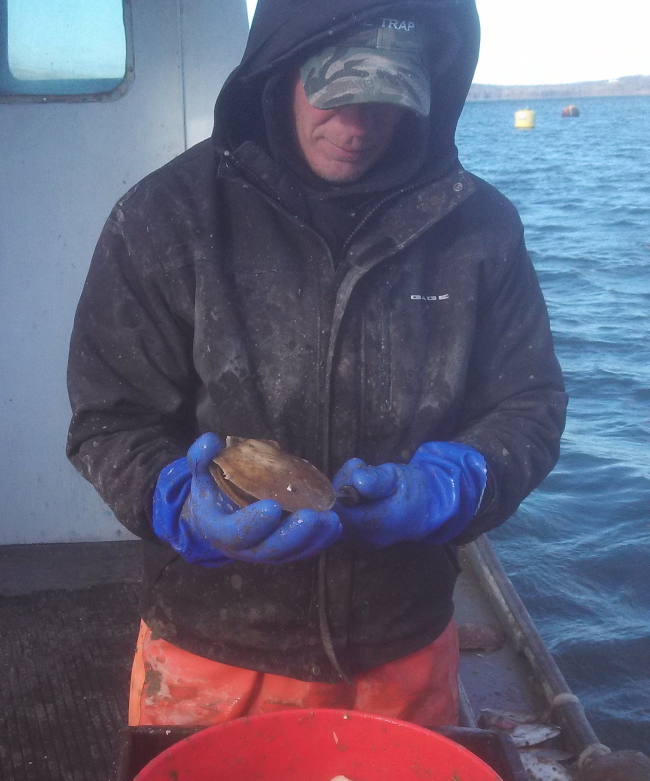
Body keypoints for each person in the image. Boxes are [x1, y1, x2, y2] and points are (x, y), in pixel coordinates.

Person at [66, 0, 567, 728]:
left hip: (402, 652)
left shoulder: (479, 229)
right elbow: (107, 421)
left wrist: (462, 480)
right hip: (213, 652)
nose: (359, 126)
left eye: (387, 98)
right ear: (279, 71)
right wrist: (172, 497)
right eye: (338, 91)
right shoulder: (164, 217)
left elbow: (530, 407)